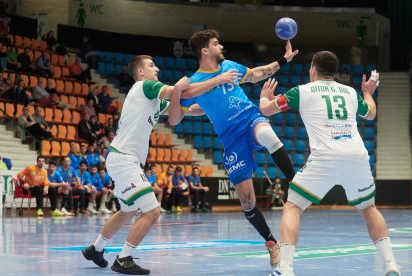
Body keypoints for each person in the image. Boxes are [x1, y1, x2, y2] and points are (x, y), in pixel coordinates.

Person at [82, 54, 239, 274]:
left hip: (124, 159)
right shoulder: (144, 86)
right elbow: (182, 90)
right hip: (124, 158)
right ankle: (124, 258)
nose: (156, 69)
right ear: (140, 72)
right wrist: (216, 80)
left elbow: (187, 108)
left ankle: (95, 249)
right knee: (153, 211)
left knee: (127, 210)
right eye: (151, 65)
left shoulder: (153, 100)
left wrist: (216, 106)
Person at [259, 51, 400, 276]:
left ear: (313, 69)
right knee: (369, 208)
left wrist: (265, 97)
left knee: (293, 207)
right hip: (357, 156)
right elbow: (371, 113)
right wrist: (367, 92)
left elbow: (266, 110)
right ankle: (390, 264)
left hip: (325, 157)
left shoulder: (302, 91)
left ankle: (285, 269)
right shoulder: (350, 92)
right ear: (334, 72)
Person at [172, 29, 298, 267]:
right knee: (247, 202)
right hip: (231, 139)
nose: (222, 47)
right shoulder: (193, 83)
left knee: (267, 134)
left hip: (249, 118)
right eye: (217, 44)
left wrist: (283, 60)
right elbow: (178, 115)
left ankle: (297, 183)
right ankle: (271, 243)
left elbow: (257, 74)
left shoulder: (228, 65)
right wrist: (190, 103)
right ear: (205, 50)